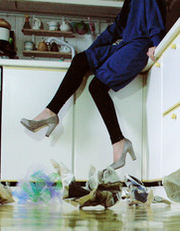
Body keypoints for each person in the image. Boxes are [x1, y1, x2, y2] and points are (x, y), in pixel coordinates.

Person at [20, 0, 166, 170]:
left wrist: (156, 44)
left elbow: (155, 20)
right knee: (80, 60)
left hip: (138, 47)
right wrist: (90, 52)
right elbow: (116, 28)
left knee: (97, 87)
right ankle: (50, 112)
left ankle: (119, 141)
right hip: (124, 45)